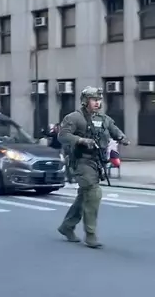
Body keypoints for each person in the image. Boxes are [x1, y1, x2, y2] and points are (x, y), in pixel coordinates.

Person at [56, 86, 129, 248]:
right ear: (85, 101)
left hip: (97, 162)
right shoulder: (74, 118)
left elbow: (114, 130)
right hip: (81, 161)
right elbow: (63, 135)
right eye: (94, 99)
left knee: (84, 196)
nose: (97, 102)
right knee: (94, 193)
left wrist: (122, 137)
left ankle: (67, 226)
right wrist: (80, 140)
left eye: (99, 100)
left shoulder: (103, 119)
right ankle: (90, 234)